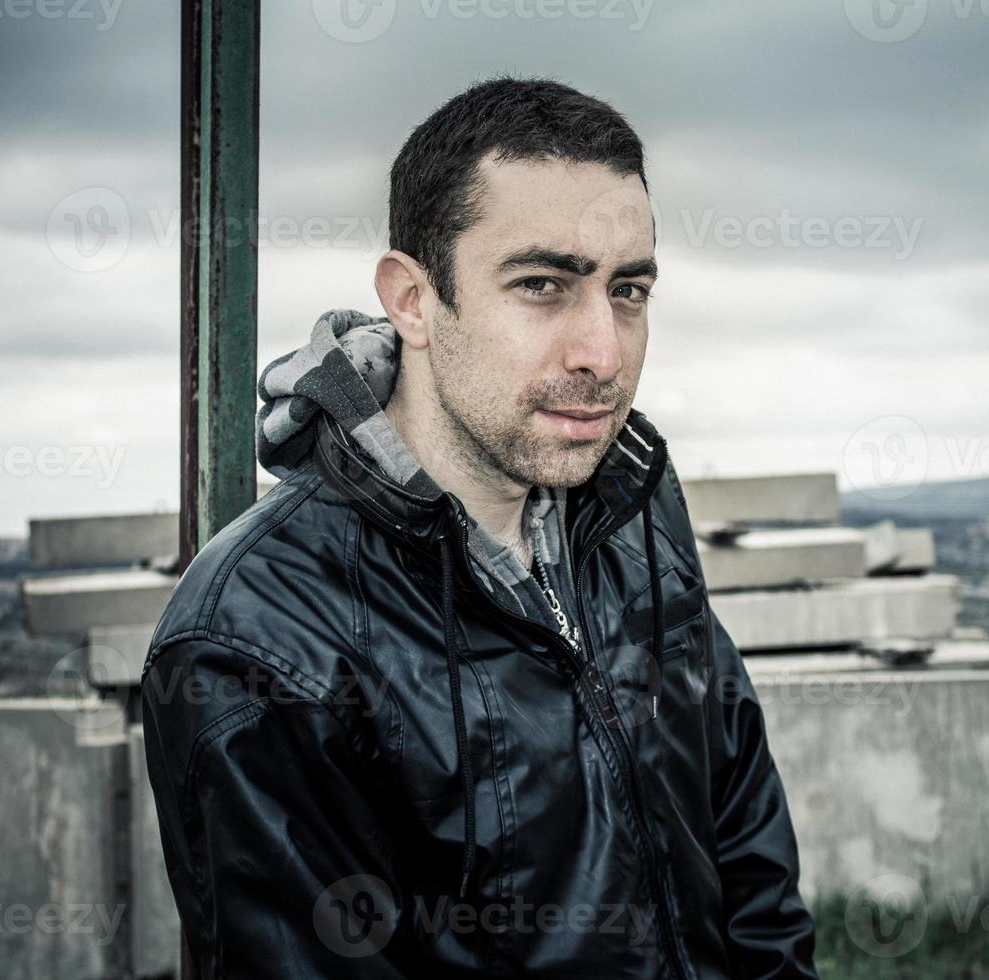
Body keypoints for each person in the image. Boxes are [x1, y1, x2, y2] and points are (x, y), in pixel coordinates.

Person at [141, 75, 818, 978]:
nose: (604, 353)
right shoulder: (260, 638)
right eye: (542, 284)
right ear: (412, 300)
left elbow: (747, 860)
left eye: (629, 291)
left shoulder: (633, 507)